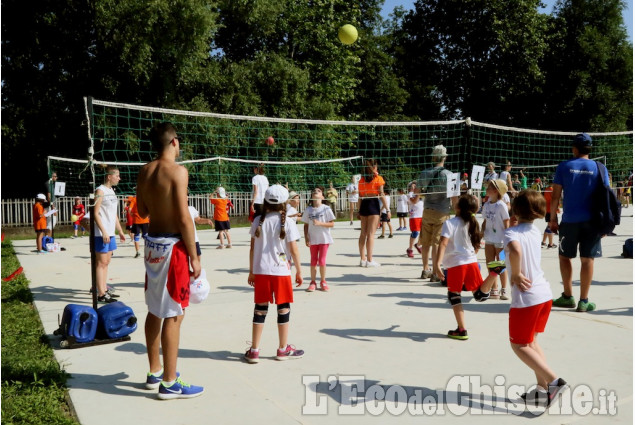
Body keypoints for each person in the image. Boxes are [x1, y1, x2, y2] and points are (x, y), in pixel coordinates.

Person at [136, 122, 204, 399]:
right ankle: (169, 382)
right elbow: (184, 218)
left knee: (154, 309)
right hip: (172, 246)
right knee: (175, 313)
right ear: (174, 141)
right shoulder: (178, 171)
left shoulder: (145, 171)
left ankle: (154, 371)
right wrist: (195, 256)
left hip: (152, 243)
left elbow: (141, 210)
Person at [505, 190, 567, 407]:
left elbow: (513, 249)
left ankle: (554, 381)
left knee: (519, 345)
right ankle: (542, 389)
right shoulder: (535, 229)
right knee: (531, 341)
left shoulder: (512, 234)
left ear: (515, 210)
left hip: (526, 297)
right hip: (544, 294)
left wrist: (515, 273)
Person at [244, 185, 304, 363]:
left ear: (265, 201)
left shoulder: (257, 221)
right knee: (283, 308)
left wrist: (251, 271)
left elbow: (252, 249)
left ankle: (254, 350)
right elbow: (293, 249)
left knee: (260, 310)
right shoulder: (288, 222)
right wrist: (299, 271)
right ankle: (282, 349)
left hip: (261, 271)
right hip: (281, 271)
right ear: (285, 203)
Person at [550, 133, 608, 313]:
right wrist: (605, 222)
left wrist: (552, 219)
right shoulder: (599, 167)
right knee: (588, 259)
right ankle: (584, 301)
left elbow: (555, 196)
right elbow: (605, 195)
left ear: (574, 148)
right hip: (592, 220)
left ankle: (568, 296)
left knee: (564, 257)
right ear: (589, 149)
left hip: (570, 220)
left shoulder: (564, 166)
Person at [433, 194, 505, 340]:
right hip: (471, 261)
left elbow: (443, 243)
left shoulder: (450, 223)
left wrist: (437, 264)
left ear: (457, 207)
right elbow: (476, 243)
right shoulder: (472, 222)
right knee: (479, 295)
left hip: (455, 264)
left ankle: (461, 329)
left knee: (454, 296)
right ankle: (494, 272)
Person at [417, 145, 458, 281]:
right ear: (445, 157)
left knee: (425, 242)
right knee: (436, 243)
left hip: (427, 209)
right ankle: (435, 272)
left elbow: (417, 192)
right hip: (442, 212)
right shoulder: (450, 175)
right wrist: (458, 213)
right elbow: (454, 198)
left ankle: (425, 269)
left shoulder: (424, 173)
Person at [93, 164, 127, 303]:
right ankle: (100, 293)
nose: (119, 178)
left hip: (110, 232)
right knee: (101, 263)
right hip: (101, 234)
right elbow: (95, 213)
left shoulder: (112, 191)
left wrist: (120, 230)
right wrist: (104, 231)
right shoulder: (100, 191)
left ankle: (104, 289)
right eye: (117, 176)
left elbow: (113, 215)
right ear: (109, 176)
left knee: (106, 262)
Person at [302, 186, 336, 292]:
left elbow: (332, 224)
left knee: (322, 260)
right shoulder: (308, 209)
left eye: (319, 191)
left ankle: (323, 281)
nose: (316, 192)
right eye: (314, 191)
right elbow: (306, 225)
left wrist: (320, 223)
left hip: (324, 239)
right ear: (312, 197)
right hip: (313, 239)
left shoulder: (326, 208)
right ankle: (313, 282)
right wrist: (306, 237)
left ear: (322, 196)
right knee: (313, 260)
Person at [481, 179, 511, 300]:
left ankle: (504, 289)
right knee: (490, 264)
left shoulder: (501, 205)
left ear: (495, 191)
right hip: (489, 238)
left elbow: (506, 222)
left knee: (501, 264)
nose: (486, 189)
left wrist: (508, 239)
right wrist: (481, 232)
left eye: (488, 188)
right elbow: (485, 220)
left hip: (501, 240)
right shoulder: (487, 204)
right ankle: (494, 289)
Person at [357, 159, 388, 267]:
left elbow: (360, 197)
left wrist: (358, 210)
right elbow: (382, 194)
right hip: (373, 203)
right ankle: (370, 260)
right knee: (371, 234)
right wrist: (387, 209)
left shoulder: (361, 180)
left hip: (364, 204)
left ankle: (362, 259)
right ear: (374, 167)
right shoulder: (378, 179)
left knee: (363, 233)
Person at [406, 192, 424, 258]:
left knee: (424, 232)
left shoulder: (420, 192)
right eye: (414, 185)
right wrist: (418, 194)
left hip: (422, 215)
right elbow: (414, 202)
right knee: (415, 233)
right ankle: (410, 249)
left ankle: (418, 244)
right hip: (414, 216)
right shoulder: (410, 194)